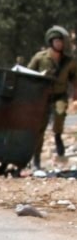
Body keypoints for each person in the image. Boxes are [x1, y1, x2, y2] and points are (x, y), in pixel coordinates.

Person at [27, 26, 77, 170]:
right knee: (40, 128)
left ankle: (58, 135)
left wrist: (75, 95)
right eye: (56, 41)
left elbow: (75, 79)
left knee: (60, 112)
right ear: (51, 42)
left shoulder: (69, 61)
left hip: (60, 95)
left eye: (61, 41)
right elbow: (27, 74)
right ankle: (36, 160)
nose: (59, 44)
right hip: (42, 97)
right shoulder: (40, 57)